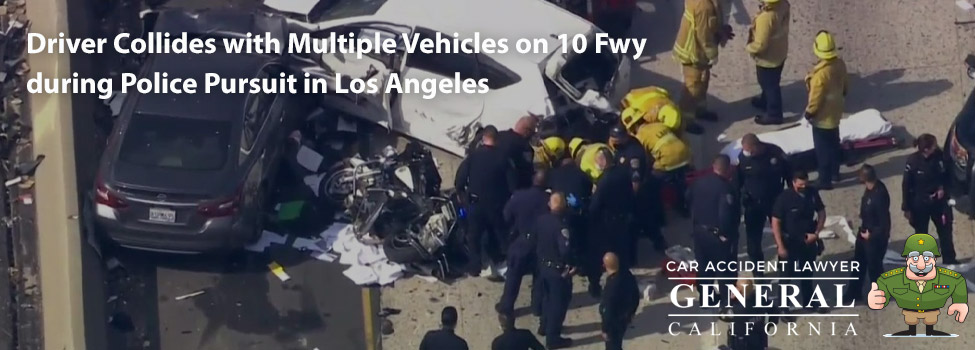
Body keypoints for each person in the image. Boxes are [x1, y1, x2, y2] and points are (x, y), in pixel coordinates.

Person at [867, 233, 968, 336]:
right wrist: (878, 299)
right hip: (909, 311)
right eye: (915, 259)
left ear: (934, 260)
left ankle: (930, 330)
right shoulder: (894, 278)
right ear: (907, 259)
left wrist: (960, 302)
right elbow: (883, 284)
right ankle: (912, 330)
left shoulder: (945, 278)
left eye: (926, 259)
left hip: (931, 310)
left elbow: (958, 281)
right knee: (911, 318)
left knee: (931, 318)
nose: (920, 265)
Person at [455, 126, 517, 277]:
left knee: (474, 236)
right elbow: (512, 185)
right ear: (497, 139)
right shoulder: (504, 158)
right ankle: (502, 261)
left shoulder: (473, 156)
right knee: (498, 234)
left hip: (475, 204)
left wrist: (461, 194)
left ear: (483, 139)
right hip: (496, 205)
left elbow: (460, 179)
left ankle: (474, 267)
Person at [497, 170, 550, 318]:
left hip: (521, 243)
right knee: (539, 279)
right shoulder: (550, 200)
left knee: (513, 277)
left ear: (533, 180)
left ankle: (506, 306)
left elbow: (506, 218)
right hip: (541, 246)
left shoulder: (519, 197)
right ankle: (537, 307)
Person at [688, 155, 740, 303]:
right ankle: (726, 302)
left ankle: (706, 298)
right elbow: (726, 214)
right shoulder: (725, 188)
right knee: (725, 269)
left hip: (699, 231)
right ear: (728, 169)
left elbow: (688, 200)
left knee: (704, 267)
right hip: (718, 235)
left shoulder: (698, 182)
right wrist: (725, 234)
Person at [609, 123, 668, 253]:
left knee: (645, 217)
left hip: (638, 192)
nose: (613, 141)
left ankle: (659, 241)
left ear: (623, 137)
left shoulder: (633, 154)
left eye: (615, 138)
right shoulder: (623, 145)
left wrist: (630, 197)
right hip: (628, 187)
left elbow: (636, 180)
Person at [737, 133, 790, 275]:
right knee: (753, 243)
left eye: (750, 150)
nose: (748, 153)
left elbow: (789, 173)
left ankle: (784, 267)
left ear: (757, 146)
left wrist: (791, 197)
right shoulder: (743, 158)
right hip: (754, 204)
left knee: (783, 236)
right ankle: (758, 273)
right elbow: (738, 181)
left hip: (775, 201)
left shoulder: (775, 153)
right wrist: (740, 198)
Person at [771, 171, 826, 306]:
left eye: (805, 184)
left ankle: (809, 300)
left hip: (809, 241)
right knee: (785, 277)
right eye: (800, 184)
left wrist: (817, 232)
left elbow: (821, 212)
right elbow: (775, 222)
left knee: (807, 273)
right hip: (790, 242)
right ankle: (783, 307)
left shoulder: (812, 193)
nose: (803, 187)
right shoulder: (784, 198)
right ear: (794, 182)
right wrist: (780, 246)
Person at [674, 0, 732, 127]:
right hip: (693, 52)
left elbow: (712, 22)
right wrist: (713, 55)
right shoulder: (703, 6)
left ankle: (700, 110)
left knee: (703, 79)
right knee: (693, 86)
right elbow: (704, 36)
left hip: (699, 51)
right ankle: (686, 120)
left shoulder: (710, 3)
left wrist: (721, 30)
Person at [902, 134, 958, 264]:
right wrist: (906, 207)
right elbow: (906, 185)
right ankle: (921, 264)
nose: (936, 147)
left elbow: (948, 175)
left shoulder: (940, 156)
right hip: (920, 204)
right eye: (933, 145)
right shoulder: (913, 162)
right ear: (926, 149)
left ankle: (950, 259)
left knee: (945, 232)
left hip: (940, 203)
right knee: (921, 236)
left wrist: (943, 188)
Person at [620, 117, 692, 217]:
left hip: (668, 161)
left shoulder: (640, 136)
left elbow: (645, 159)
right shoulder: (658, 124)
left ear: (633, 127)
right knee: (680, 181)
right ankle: (684, 207)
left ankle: (659, 213)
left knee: (652, 185)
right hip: (685, 155)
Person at [804, 31, 848, 190]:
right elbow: (845, 86)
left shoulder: (820, 75)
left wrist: (809, 113)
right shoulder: (840, 64)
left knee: (823, 152)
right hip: (835, 113)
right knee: (834, 145)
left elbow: (816, 98)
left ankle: (824, 180)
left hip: (822, 118)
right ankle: (835, 173)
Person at [548, 156, 594, 303]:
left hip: (559, 213)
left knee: (563, 241)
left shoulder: (553, 174)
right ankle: (581, 267)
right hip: (577, 214)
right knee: (581, 241)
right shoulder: (582, 174)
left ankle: (566, 263)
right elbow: (588, 191)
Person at [845, 164, 890, 303]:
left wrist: (872, 235)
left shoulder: (879, 194)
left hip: (875, 237)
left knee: (874, 268)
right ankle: (854, 292)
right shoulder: (870, 190)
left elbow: (884, 222)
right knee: (858, 264)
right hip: (865, 231)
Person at [535, 192, 575, 349]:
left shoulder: (541, 220)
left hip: (543, 266)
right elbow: (565, 251)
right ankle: (553, 338)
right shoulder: (561, 226)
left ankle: (544, 325)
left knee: (547, 298)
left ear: (550, 205)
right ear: (564, 206)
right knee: (559, 304)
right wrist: (570, 266)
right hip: (558, 271)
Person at [591, 148, 637, 282]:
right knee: (623, 249)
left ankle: (616, 278)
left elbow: (596, 204)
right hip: (624, 217)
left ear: (603, 161)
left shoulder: (603, 180)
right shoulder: (623, 173)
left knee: (612, 252)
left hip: (609, 221)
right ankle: (625, 275)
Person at [747, 0, 791, 125]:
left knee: (769, 85)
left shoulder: (766, 18)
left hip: (768, 58)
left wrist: (749, 47)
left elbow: (760, 45)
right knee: (772, 81)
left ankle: (774, 114)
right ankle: (765, 101)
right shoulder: (783, 4)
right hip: (779, 51)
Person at [600, 252, 641, 350]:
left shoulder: (611, 287)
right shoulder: (628, 275)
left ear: (604, 265)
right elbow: (636, 295)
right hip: (624, 318)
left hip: (614, 324)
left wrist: (605, 330)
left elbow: (607, 311)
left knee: (612, 346)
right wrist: (631, 313)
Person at [621, 86, 699, 134]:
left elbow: (666, 93)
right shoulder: (647, 114)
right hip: (632, 98)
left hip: (651, 91)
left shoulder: (672, 108)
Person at [498, 116, 539, 189]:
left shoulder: (499, 135)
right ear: (527, 131)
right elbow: (527, 172)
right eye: (532, 133)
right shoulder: (524, 147)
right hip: (511, 189)